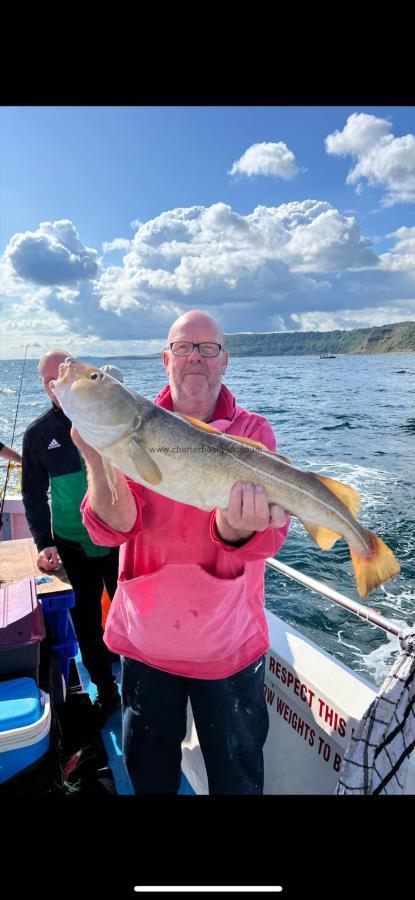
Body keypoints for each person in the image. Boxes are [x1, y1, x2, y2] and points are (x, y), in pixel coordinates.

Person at [73, 311, 290, 794]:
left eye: (207, 347)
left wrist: (234, 529)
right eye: (184, 346)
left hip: (229, 648)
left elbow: (271, 540)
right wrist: (95, 455)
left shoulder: (253, 433)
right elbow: (113, 530)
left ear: (225, 361)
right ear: (166, 359)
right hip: (147, 644)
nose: (195, 356)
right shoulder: (134, 426)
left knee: (237, 781)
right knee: (151, 780)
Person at [21, 349, 121, 723]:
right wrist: (43, 542)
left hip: (119, 538)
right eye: (49, 380)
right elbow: (32, 493)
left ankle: (144, 690)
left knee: (131, 617)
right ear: (45, 387)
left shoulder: (112, 417)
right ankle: (107, 693)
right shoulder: (37, 435)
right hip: (71, 544)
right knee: (86, 624)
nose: (56, 385)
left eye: (61, 374)